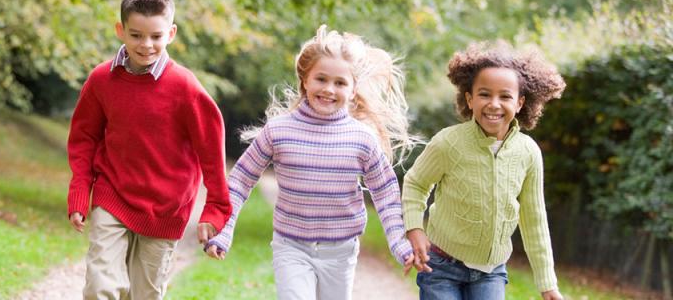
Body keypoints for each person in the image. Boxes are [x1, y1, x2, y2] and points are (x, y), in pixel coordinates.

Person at [203, 25, 416, 300]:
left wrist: (400, 244)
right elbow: (240, 181)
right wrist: (224, 230)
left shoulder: (362, 139)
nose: (329, 89)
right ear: (305, 80)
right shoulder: (278, 131)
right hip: (291, 246)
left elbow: (386, 195)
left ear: (353, 91)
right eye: (321, 79)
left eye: (340, 83)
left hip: (341, 250)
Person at [66, 0, 231, 299]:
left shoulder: (185, 87)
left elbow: (210, 150)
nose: (146, 45)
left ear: (171, 33)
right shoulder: (101, 80)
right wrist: (79, 192)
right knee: (101, 286)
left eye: (156, 36)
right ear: (121, 30)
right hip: (112, 195)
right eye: (136, 35)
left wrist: (216, 207)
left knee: (145, 294)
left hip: (165, 207)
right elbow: (84, 138)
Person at [403, 41, 566, 300]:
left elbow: (534, 220)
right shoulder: (449, 142)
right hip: (441, 266)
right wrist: (415, 229)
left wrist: (548, 285)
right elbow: (415, 183)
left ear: (520, 103)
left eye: (505, 96)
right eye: (484, 94)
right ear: (469, 98)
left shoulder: (528, 153)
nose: (494, 104)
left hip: (491, 272)